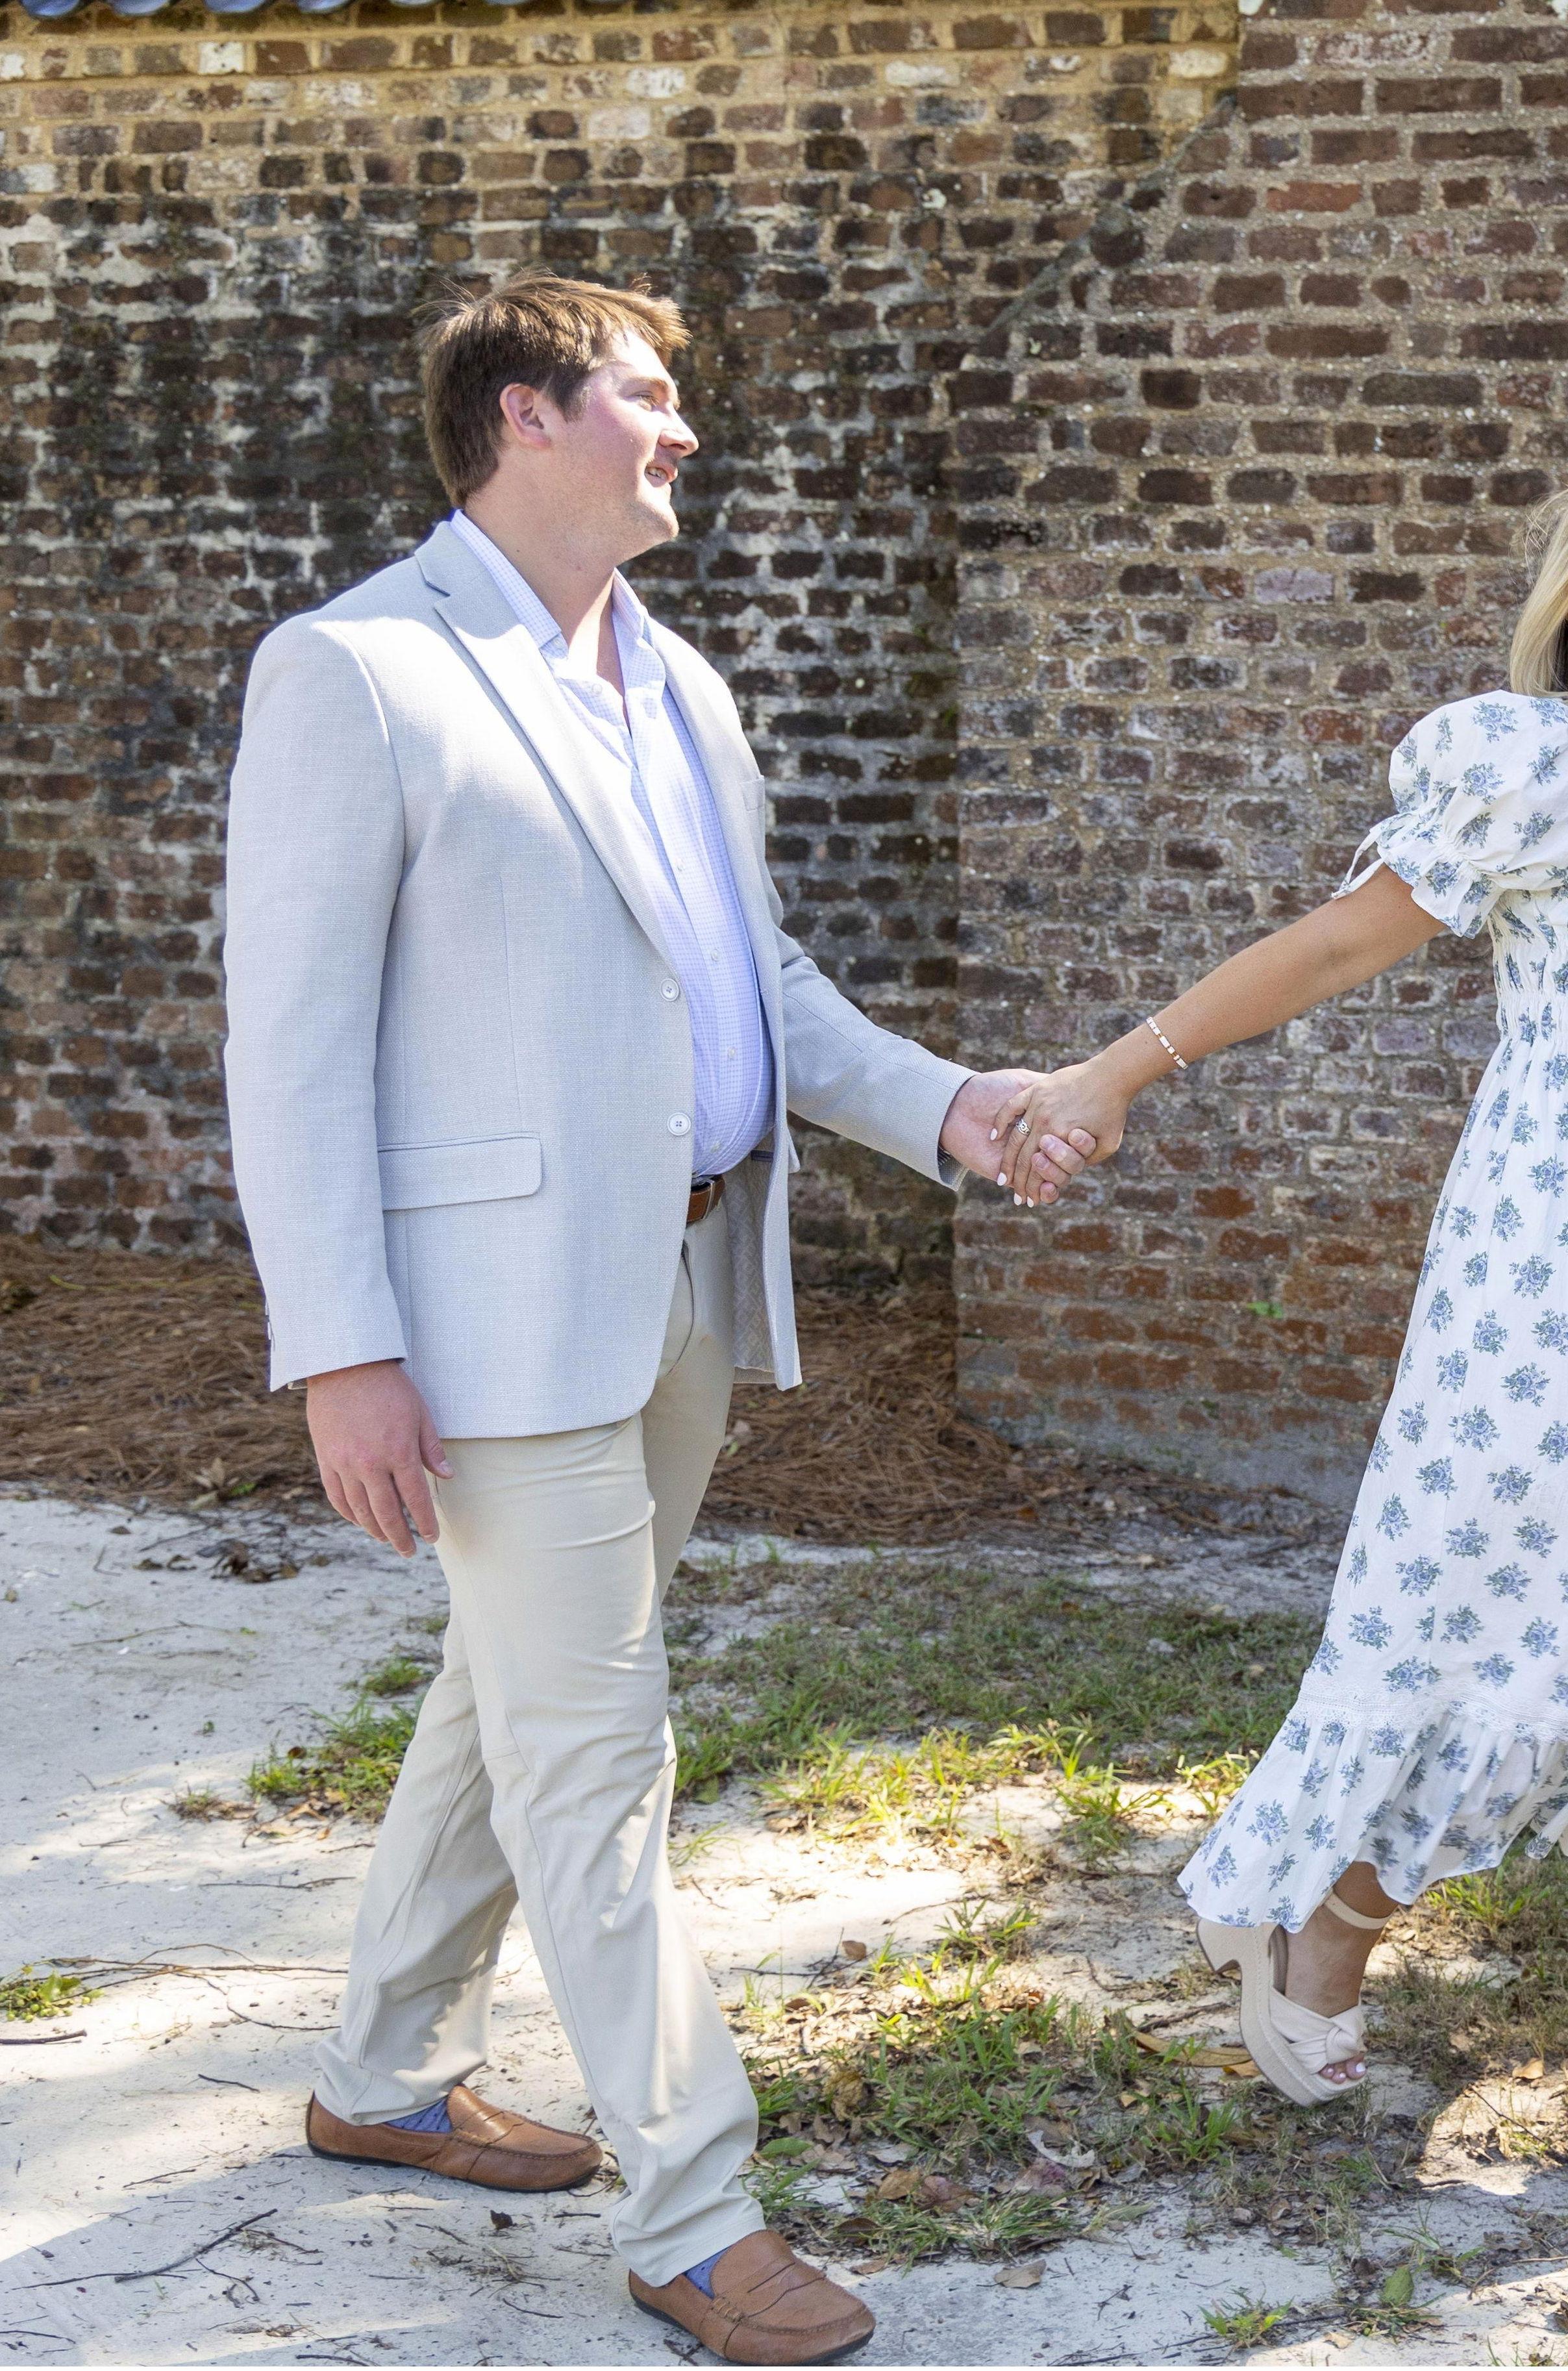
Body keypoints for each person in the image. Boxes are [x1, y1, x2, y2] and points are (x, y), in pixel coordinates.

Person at [222, 269, 1082, 2365]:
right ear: (525, 414)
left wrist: (946, 1104)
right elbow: (289, 1045)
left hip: (690, 1280)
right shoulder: (356, 670)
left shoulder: (679, 683)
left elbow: (751, 986)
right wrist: (344, 1347)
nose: (682, 427)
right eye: (644, 390)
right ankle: (694, 2208)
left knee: (514, 1697)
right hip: (486, 1321)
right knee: (599, 1756)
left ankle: (385, 2070)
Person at [991, 453, 1568, 2231]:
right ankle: (1334, 1916)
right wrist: (1114, 1074)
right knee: (1510, 1615)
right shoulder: (1536, 767)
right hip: (1555, 1261)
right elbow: (1336, 945)